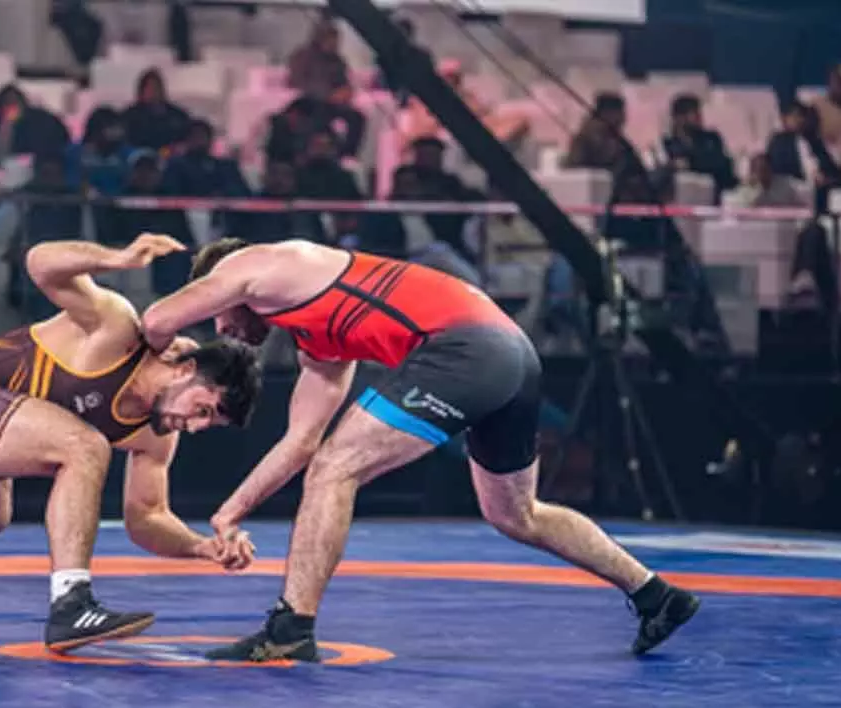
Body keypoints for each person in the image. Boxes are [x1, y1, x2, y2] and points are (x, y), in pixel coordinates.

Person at [140, 238, 701, 662]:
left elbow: (157, 320)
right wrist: (230, 513)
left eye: (217, 312)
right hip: (511, 355)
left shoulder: (259, 262)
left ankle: (291, 629)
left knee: (337, 468)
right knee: (515, 513)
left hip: (465, 347)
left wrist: (159, 363)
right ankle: (655, 594)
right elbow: (299, 443)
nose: (223, 328)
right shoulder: (317, 340)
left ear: (219, 283)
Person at [0, 234, 263, 653]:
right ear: (185, 369)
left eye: (209, 424)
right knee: (85, 446)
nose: (195, 427)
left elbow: (147, 519)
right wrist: (117, 258)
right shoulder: (116, 329)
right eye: (203, 409)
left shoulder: (156, 435)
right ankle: (71, 604)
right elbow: (40, 262)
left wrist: (202, 547)